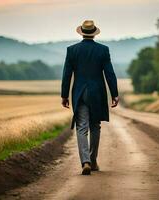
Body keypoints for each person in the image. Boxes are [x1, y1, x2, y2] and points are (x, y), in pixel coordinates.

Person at [61, 20, 119, 175]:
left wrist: (64, 95)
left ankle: (85, 161)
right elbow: (110, 73)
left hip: (79, 93)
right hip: (97, 93)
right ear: (94, 33)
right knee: (95, 126)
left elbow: (67, 74)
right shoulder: (103, 50)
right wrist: (114, 94)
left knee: (82, 127)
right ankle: (93, 161)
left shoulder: (72, 50)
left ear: (81, 32)